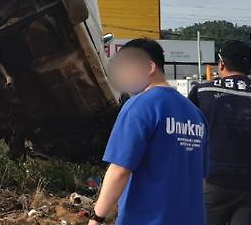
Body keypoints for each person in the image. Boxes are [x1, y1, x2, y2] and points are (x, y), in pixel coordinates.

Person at [89, 39, 208, 225]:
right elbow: (201, 179)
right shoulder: (195, 114)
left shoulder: (139, 106)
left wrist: (96, 218)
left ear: (150, 67)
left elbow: (120, 169)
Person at [189, 40, 251, 225]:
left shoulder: (202, 92)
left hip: (212, 180)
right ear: (249, 66)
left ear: (221, 63)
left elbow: (185, 135)